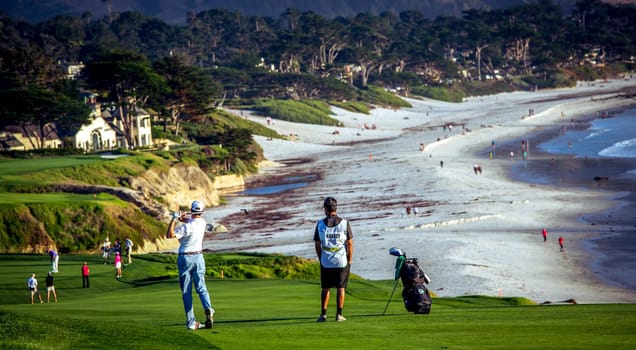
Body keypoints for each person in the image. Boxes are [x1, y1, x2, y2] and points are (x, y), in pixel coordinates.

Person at [166, 200, 214, 330]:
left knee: (187, 292)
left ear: (191, 210)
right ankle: (208, 308)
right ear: (201, 212)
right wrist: (183, 219)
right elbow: (193, 222)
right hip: (198, 257)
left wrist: (174, 219)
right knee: (201, 287)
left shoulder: (186, 227)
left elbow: (169, 235)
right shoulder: (202, 223)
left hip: (185, 258)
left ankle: (191, 322)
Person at [314, 197, 353, 322]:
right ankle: (339, 314)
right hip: (341, 260)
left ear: (326, 209)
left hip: (326, 260)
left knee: (326, 288)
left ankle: (323, 314)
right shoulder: (345, 223)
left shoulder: (320, 224)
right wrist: (350, 259)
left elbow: (317, 245)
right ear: (335, 208)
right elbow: (350, 244)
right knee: (340, 288)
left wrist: (321, 258)